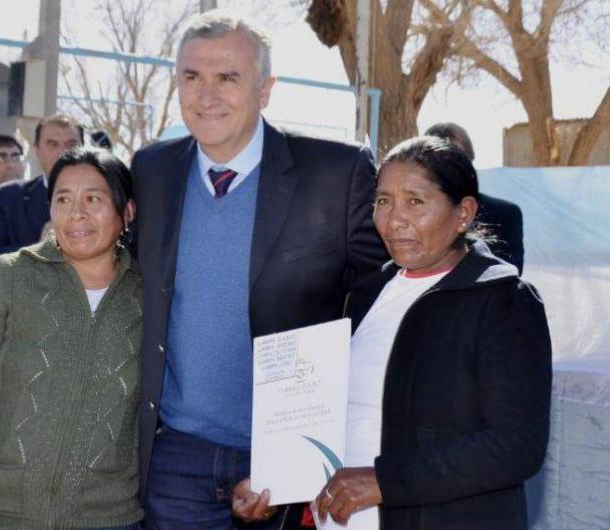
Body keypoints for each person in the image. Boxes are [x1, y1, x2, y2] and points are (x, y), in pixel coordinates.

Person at [131, 10, 386, 529]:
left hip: (287, 456)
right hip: (176, 455)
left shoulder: (336, 174)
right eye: (191, 77)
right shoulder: (151, 170)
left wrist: (297, 458)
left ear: (266, 89)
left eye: (229, 78)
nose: (207, 95)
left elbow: (379, 307)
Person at [313, 136, 551, 530]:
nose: (393, 220)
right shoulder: (364, 294)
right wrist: (274, 478)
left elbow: (515, 446)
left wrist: (384, 482)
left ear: (464, 213)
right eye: (384, 201)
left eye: (415, 201)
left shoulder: (504, 302)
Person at [0, 147, 141, 530]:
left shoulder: (148, 297)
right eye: (63, 199)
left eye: (93, 198)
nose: (76, 212)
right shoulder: (11, 276)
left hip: (107, 519)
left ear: (127, 212)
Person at [0, 114, 84, 269]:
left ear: (84, 148)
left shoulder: (106, 195)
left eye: (71, 144)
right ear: (37, 149)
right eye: (52, 144)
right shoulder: (10, 197)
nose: (62, 152)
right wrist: (38, 249)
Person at [424, 122, 525, 273]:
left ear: (470, 161)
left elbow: (510, 272)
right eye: (438, 164)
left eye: (457, 160)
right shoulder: (409, 214)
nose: (448, 171)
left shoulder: (504, 214)